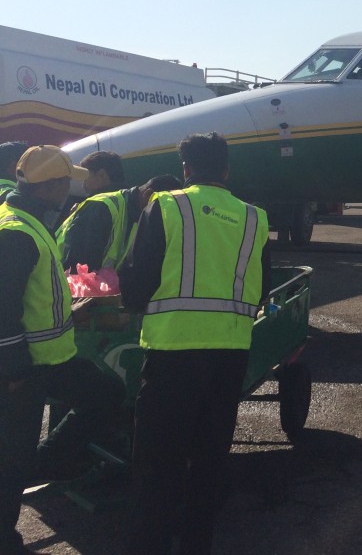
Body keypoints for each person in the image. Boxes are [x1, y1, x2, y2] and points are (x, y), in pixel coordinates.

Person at [118, 133, 271, 555]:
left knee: (156, 463)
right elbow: (262, 290)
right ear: (226, 170)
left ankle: (148, 545)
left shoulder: (166, 206)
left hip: (172, 353)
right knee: (209, 457)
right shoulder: (255, 218)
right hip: (231, 355)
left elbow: (135, 284)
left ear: (185, 169)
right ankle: (196, 543)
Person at [0, 145, 124, 555]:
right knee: (12, 456)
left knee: (104, 393)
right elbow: (3, 309)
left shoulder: (26, 220)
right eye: (65, 181)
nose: (69, 188)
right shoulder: (18, 232)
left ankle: (50, 461)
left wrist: (70, 309)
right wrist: (14, 369)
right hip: (27, 365)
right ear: (51, 185)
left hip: (50, 358)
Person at [56, 174, 182, 273]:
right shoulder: (102, 208)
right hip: (61, 282)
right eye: (162, 209)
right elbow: (78, 266)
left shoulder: (138, 215)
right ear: (148, 194)